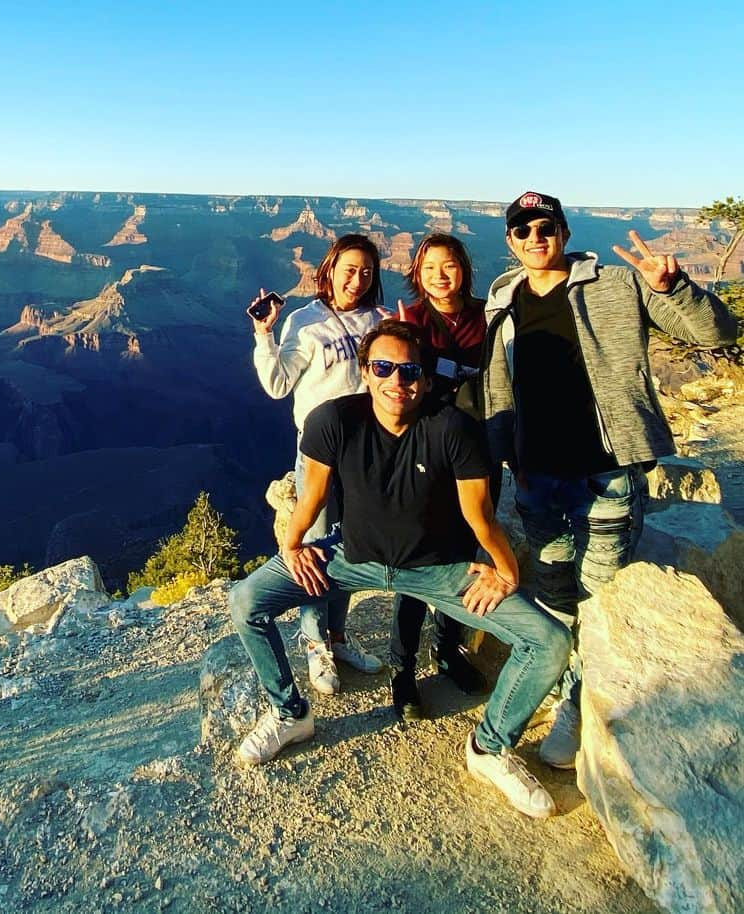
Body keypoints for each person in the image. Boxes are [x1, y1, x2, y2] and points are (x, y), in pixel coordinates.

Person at [229, 319, 571, 819]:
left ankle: (490, 746)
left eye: (409, 371)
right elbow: (313, 496)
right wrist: (293, 546)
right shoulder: (333, 420)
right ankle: (290, 714)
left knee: (549, 642)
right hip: (349, 559)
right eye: (383, 368)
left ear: (426, 379)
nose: (397, 382)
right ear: (365, 372)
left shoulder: (453, 428)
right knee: (245, 601)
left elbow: (480, 516)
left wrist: (505, 571)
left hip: (440, 569)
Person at [482, 190, 737, 770]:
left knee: (600, 591)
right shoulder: (503, 298)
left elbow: (718, 333)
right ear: (510, 242)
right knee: (554, 593)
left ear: (566, 233)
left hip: (607, 469)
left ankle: (578, 701)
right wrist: (500, 461)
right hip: (535, 474)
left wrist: (673, 288)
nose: (535, 238)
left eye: (546, 227)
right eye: (523, 231)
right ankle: (556, 680)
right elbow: (497, 387)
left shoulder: (618, 284)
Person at [251, 233, 391, 694]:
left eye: (367, 271)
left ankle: (338, 636)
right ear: (329, 270)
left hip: (369, 453)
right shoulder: (305, 321)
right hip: (319, 453)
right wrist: (264, 334)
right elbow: (277, 384)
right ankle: (316, 648)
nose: (358, 279)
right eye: (349, 269)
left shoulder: (382, 320)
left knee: (349, 547)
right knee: (312, 549)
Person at [388, 234, 489, 718]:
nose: (440, 277)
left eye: (448, 266)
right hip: (424, 454)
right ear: (417, 274)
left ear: (464, 269)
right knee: (416, 562)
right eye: (429, 269)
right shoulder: (409, 322)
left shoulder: (489, 316)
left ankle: (448, 651)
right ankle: (402, 670)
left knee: (465, 559)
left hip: (478, 453)